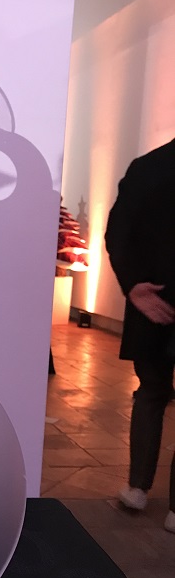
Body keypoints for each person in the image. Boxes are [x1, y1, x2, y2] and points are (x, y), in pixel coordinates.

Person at [105, 138, 175, 533]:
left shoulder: (146, 167)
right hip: (151, 301)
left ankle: (137, 488)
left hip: (150, 300)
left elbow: (117, 233)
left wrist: (133, 285)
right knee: (150, 393)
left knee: (150, 393)